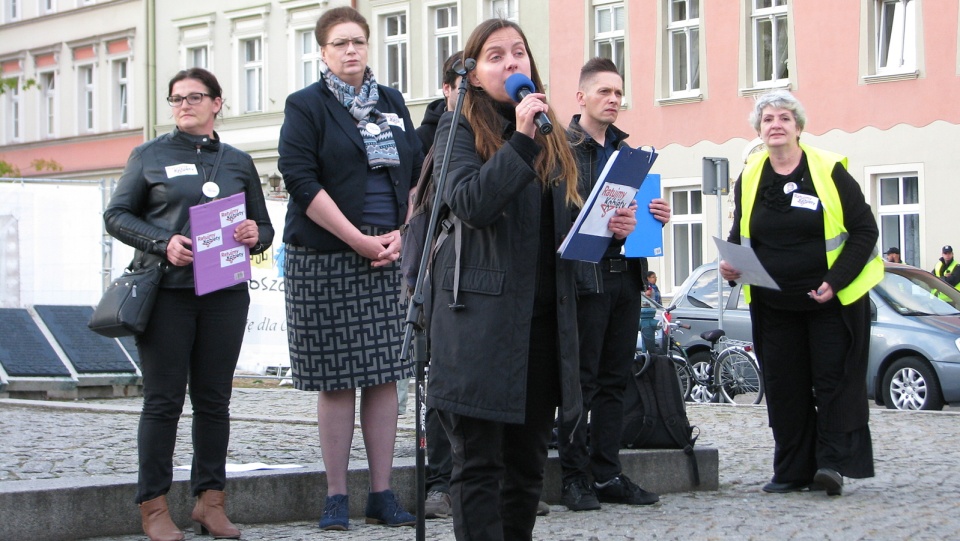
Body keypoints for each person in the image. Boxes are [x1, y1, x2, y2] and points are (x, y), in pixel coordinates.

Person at [426, 19, 633, 541]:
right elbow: (471, 203)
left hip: (543, 327)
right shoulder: (457, 128)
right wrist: (519, 140)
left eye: (519, 52)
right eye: (495, 56)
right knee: (478, 469)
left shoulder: (551, 134)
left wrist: (610, 227)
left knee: (526, 472)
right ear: (473, 75)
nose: (512, 62)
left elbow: (563, 224)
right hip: (478, 326)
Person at [104, 67, 274, 541]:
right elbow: (116, 215)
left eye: (194, 97)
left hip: (224, 295)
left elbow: (264, 228)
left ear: (217, 103)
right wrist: (163, 242)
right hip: (168, 295)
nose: (184, 105)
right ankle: (154, 506)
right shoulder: (149, 156)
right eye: (176, 99)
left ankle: (210, 501)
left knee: (215, 401)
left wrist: (252, 234)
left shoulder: (238, 161)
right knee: (162, 403)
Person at [277, 6, 421, 531]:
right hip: (326, 258)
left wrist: (403, 232)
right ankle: (337, 493)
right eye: (340, 43)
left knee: (384, 376)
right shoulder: (306, 105)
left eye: (358, 41)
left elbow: (415, 172)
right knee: (336, 380)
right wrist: (358, 240)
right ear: (322, 52)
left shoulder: (392, 102)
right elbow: (299, 178)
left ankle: (382, 493)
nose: (351, 51)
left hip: (388, 255)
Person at [719, 89, 883, 497]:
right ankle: (792, 469)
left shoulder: (828, 169)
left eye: (784, 118)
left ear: (798, 128)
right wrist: (731, 266)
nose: (775, 125)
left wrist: (838, 279)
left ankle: (830, 465)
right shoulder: (751, 174)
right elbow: (740, 233)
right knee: (784, 387)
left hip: (828, 301)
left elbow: (865, 231)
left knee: (831, 384)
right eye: (768, 119)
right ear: (759, 129)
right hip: (774, 304)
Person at [557, 57, 670, 512]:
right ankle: (573, 477)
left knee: (614, 381)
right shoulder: (562, 149)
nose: (613, 100)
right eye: (604, 91)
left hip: (625, 277)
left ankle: (606, 472)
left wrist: (652, 218)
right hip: (582, 281)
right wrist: (609, 222)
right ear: (581, 97)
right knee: (578, 383)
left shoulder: (629, 153)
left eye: (619, 93)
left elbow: (631, 217)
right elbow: (558, 217)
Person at [409, 50, 462, 520]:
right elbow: (416, 218)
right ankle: (440, 483)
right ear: (448, 89)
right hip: (437, 274)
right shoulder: (425, 140)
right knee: (440, 388)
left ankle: (486, 481)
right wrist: (413, 284)